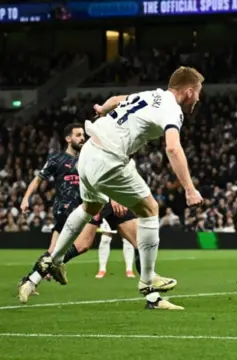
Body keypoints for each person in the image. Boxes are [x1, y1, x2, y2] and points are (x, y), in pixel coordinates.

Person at [36, 66, 204, 309]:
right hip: (108, 158)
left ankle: (55, 258)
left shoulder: (150, 95)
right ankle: (148, 280)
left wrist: (102, 109)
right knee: (150, 209)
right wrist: (189, 188)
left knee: (89, 206)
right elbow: (172, 148)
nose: (198, 98)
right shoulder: (173, 110)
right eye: (198, 93)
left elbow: (115, 100)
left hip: (88, 153)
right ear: (189, 91)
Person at [19, 202, 183, 310]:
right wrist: (113, 197)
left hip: (111, 196)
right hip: (103, 196)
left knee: (141, 242)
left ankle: (153, 298)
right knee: (81, 245)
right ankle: (32, 280)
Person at [20, 123, 85, 285]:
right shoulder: (57, 159)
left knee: (54, 249)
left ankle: (32, 278)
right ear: (68, 139)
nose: (82, 138)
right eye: (78, 135)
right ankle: (53, 267)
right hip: (65, 207)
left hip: (82, 208)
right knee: (81, 245)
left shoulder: (87, 158)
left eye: (83, 134)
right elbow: (38, 179)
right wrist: (25, 198)